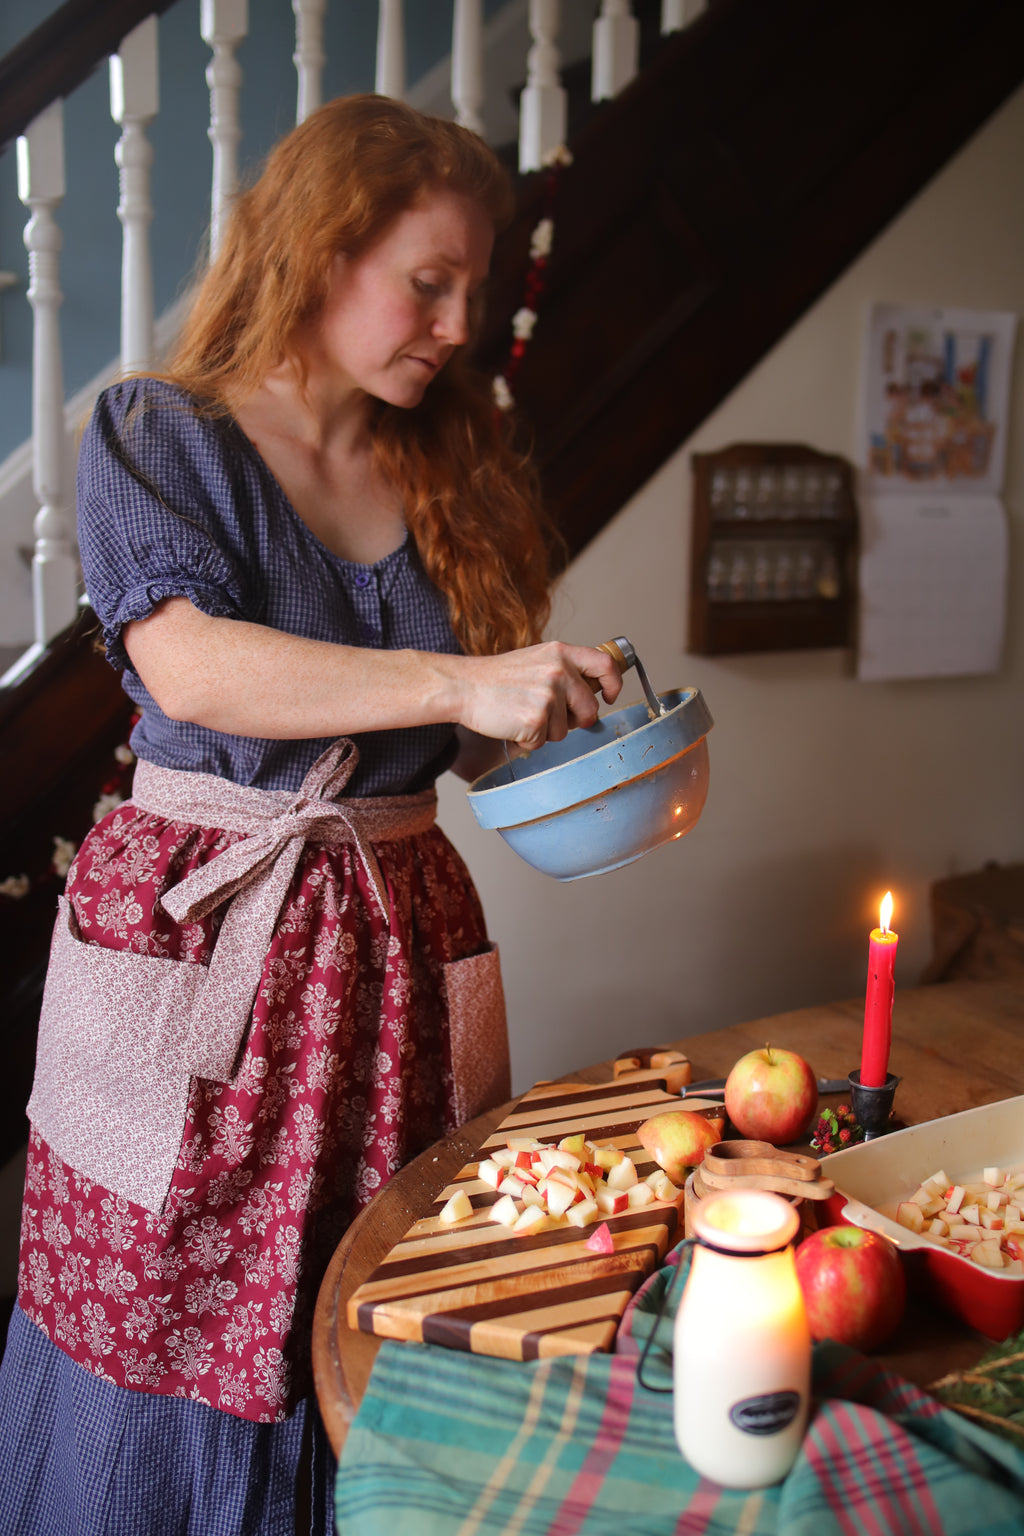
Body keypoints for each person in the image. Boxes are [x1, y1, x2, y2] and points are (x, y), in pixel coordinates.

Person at [0, 95, 622, 1536]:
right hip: (205, 944)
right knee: (154, 1306)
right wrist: (460, 675)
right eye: (430, 279)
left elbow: (446, 751)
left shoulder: (449, 470)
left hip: (398, 965)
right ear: (319, 249)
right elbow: (189, 659)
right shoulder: (158, 431)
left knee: (388, 1296)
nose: (460, 322)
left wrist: (562, 734)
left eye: (478, 288)